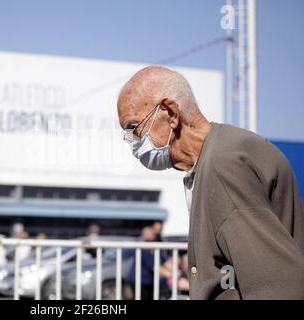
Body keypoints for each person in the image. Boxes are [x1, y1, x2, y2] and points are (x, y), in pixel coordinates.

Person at [117, 65, 304, 299]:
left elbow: (276, 286)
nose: (133, 143)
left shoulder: (222, 167)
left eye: (134, 129)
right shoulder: (220, 154)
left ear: (171, 113)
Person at [126, 226, 171, 300]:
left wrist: (174, 271)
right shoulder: (143, 247)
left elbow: (166, 261)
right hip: (140, 281)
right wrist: (171, 274)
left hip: (148, 282)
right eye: (147, 233)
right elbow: (154, 266)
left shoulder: (156, 246)